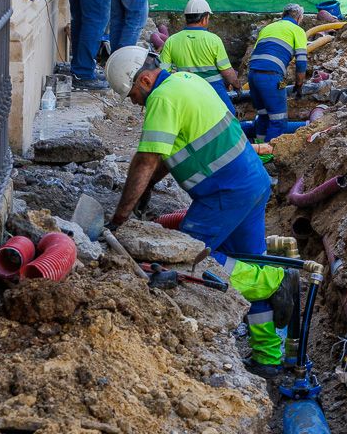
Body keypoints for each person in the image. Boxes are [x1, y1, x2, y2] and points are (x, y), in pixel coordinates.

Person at [104, 46, 316, 377]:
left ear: (145, 80)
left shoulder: (162, 98)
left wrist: (119, 218)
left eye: (132, 94)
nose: (133, 102)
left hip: (223, 193)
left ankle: (274, 280)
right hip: (251, 181)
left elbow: (147, 159)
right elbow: (163, 156)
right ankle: (269, 357)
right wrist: (144, 194)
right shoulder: (186, 80)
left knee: (188, 261)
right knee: (248, 265)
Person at [158, 0, 239, 115]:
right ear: (205, 18)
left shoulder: (171, 41)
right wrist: (237, 85)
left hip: (185, 89)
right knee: (229, 117)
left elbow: (163, 72)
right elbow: (227, 72)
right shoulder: (214, 40)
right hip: (214, 89)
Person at [247, 4, 309, 142]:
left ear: (283, 15)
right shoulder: (297, 30)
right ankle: (268, 155)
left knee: (263, 116)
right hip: (271, 76)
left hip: (252, 75)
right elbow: (301, 61)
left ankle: (259, 150)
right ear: (299, 18)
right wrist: (299, 85)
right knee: (278, 120)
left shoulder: (268, 28)